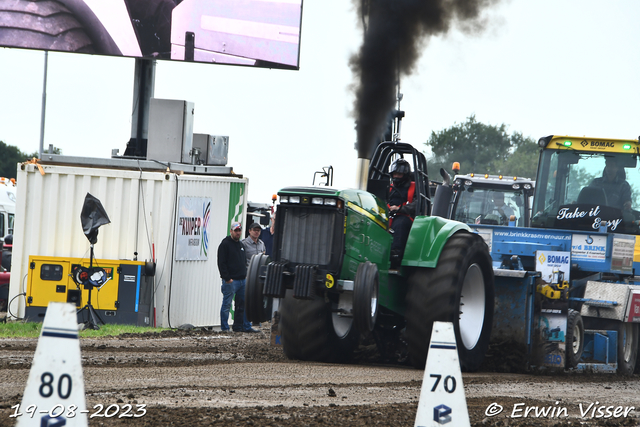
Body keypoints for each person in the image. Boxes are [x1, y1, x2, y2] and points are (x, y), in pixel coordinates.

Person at [216, 222, 258, 333]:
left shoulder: (241, 245)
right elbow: (221, 263)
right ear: (231, 231)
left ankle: (245, 326)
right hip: (231, 281)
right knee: (227, 304)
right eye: (236, 230)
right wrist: (227, 278)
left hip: (242, 280)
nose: (238, 233)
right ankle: (225, 328)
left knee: (244, 304)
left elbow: (243, 261)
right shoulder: (225, 244)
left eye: (239, 230)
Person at [387, 159, 416, 269]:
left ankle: (396, 255)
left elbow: (417, 205)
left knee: (399, 224)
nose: (396, 176)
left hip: (405, 216)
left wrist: (400, 209)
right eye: (394, 174)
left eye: (399, 174)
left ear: (405, 175)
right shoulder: (389, 187)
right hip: (388, 215)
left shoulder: (414, 187)